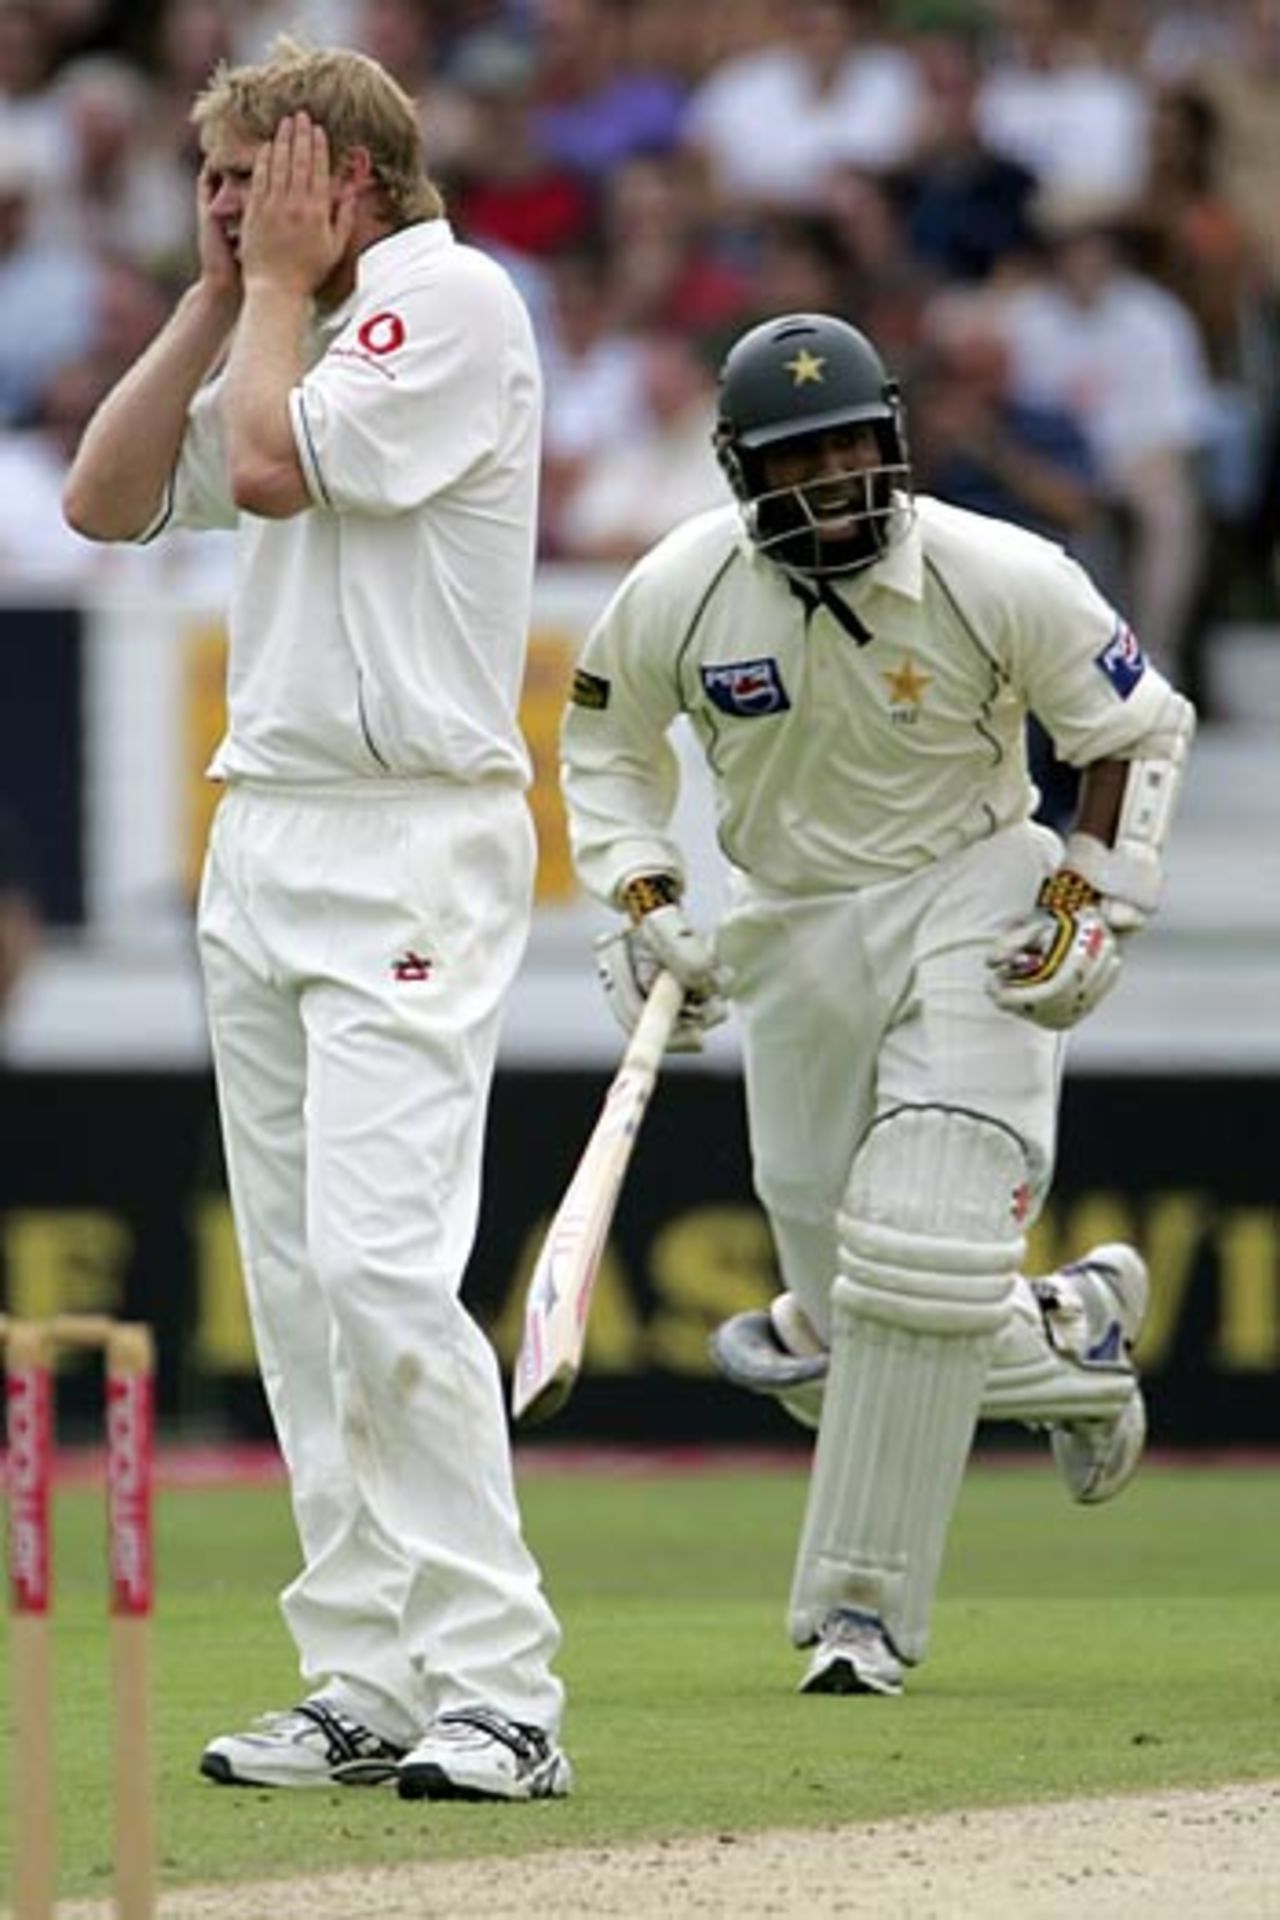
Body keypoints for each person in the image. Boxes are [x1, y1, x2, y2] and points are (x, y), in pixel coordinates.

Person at [62, 36, 570, 1802]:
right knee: (294, 1287)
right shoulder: (270, 318)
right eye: (207, 179)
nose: (220, 205)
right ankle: (361, 1670)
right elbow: (107, 500)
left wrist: (269, 293)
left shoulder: (452, 302)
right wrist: (218, 302)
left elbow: (273, 476)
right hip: (263, 835)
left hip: (411, 838)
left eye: (249, 175)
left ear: (345, 176)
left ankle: (501, 1682)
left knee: (378, 1267)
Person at [559, 310, 1194, 1697]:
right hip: (788, 928)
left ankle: (859, 1618)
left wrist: (1091, 896)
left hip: (970, 890)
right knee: (845, 1331)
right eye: (799, 459)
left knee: (918, 1241)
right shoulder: (680, 585)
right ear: (743, 472)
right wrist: (645, 894)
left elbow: (1136, 729)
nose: (833, 481)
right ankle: (1070, 1339)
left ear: (895, 444)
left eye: (853, 448)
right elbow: (603, 748)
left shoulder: (998, 570)